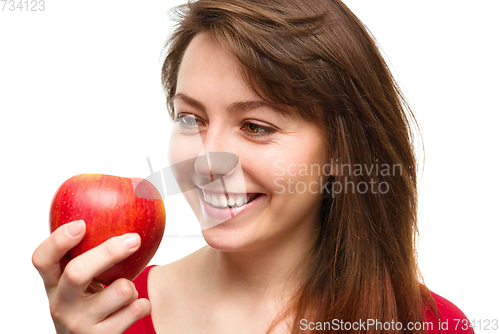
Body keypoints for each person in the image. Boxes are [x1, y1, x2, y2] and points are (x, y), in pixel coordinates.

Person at [32, 0, 475, 333]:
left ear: (342, 151)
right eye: (191, 118)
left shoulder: (428, 324)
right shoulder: (112, 314)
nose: (206, 162)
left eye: (256, 126)